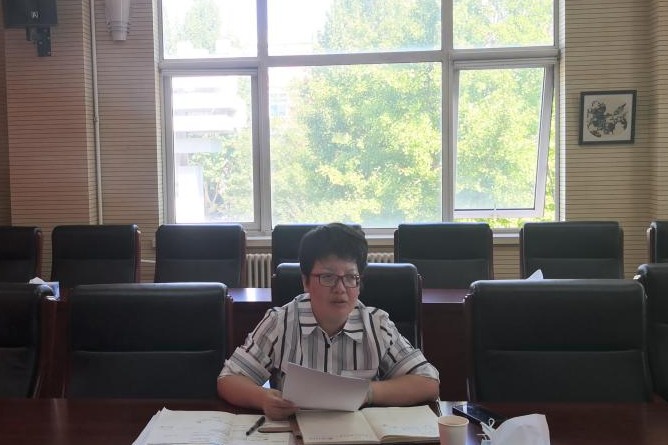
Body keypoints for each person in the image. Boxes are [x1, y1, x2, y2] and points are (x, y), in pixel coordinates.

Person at [217, 223, 440, 420]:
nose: (340, 289)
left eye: (350, 277)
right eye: (328, 277)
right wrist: (263, 398)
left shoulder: (376, 324)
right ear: (305, 281)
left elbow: (428, 382)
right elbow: (228, 380)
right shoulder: (280, 322)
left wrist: (367, 392)